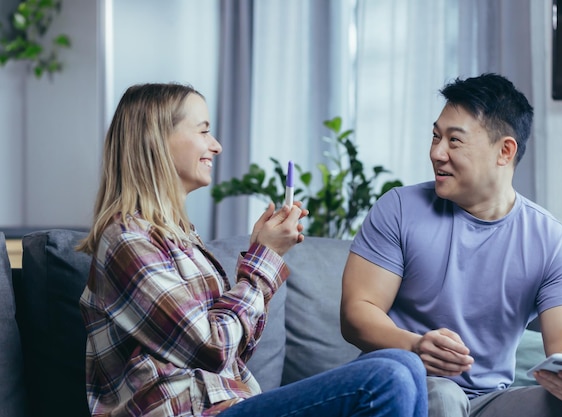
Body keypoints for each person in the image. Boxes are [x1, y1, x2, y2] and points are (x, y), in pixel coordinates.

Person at [77, 83, 428, 417]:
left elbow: (235, 353)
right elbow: (212, 349)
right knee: (387, 378)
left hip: (231, 405)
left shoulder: (184, 241)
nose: (216, 146)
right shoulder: (126, 241)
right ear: (158, 140)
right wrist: (265, 260)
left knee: (404, 363)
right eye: (203, 131)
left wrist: (258, 253)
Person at [340, 73, 562, 416]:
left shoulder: (552, 242)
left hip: (491, 400)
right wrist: (414, 345)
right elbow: (356, 313)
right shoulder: (399, 208)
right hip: (410, 386)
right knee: (443, 396)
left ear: (504, 151)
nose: (436, 152)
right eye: (435, 136)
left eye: (454, 141)